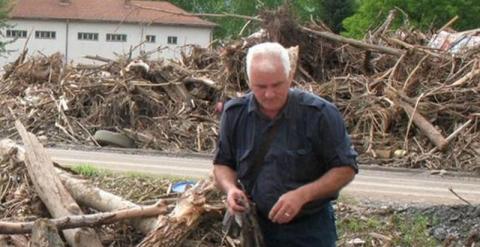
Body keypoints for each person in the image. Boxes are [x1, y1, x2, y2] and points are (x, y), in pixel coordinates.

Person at [213, 42, 358, 247]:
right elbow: (222, 164)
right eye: (261, 87)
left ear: (290, 76)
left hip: (310, 230)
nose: (269, 94)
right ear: (249, 81)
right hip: (257, 225)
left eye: (277, 85)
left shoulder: (320, 114)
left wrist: (303, 195)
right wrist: (230, 189)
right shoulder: (234, 114)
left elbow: (346, 168)